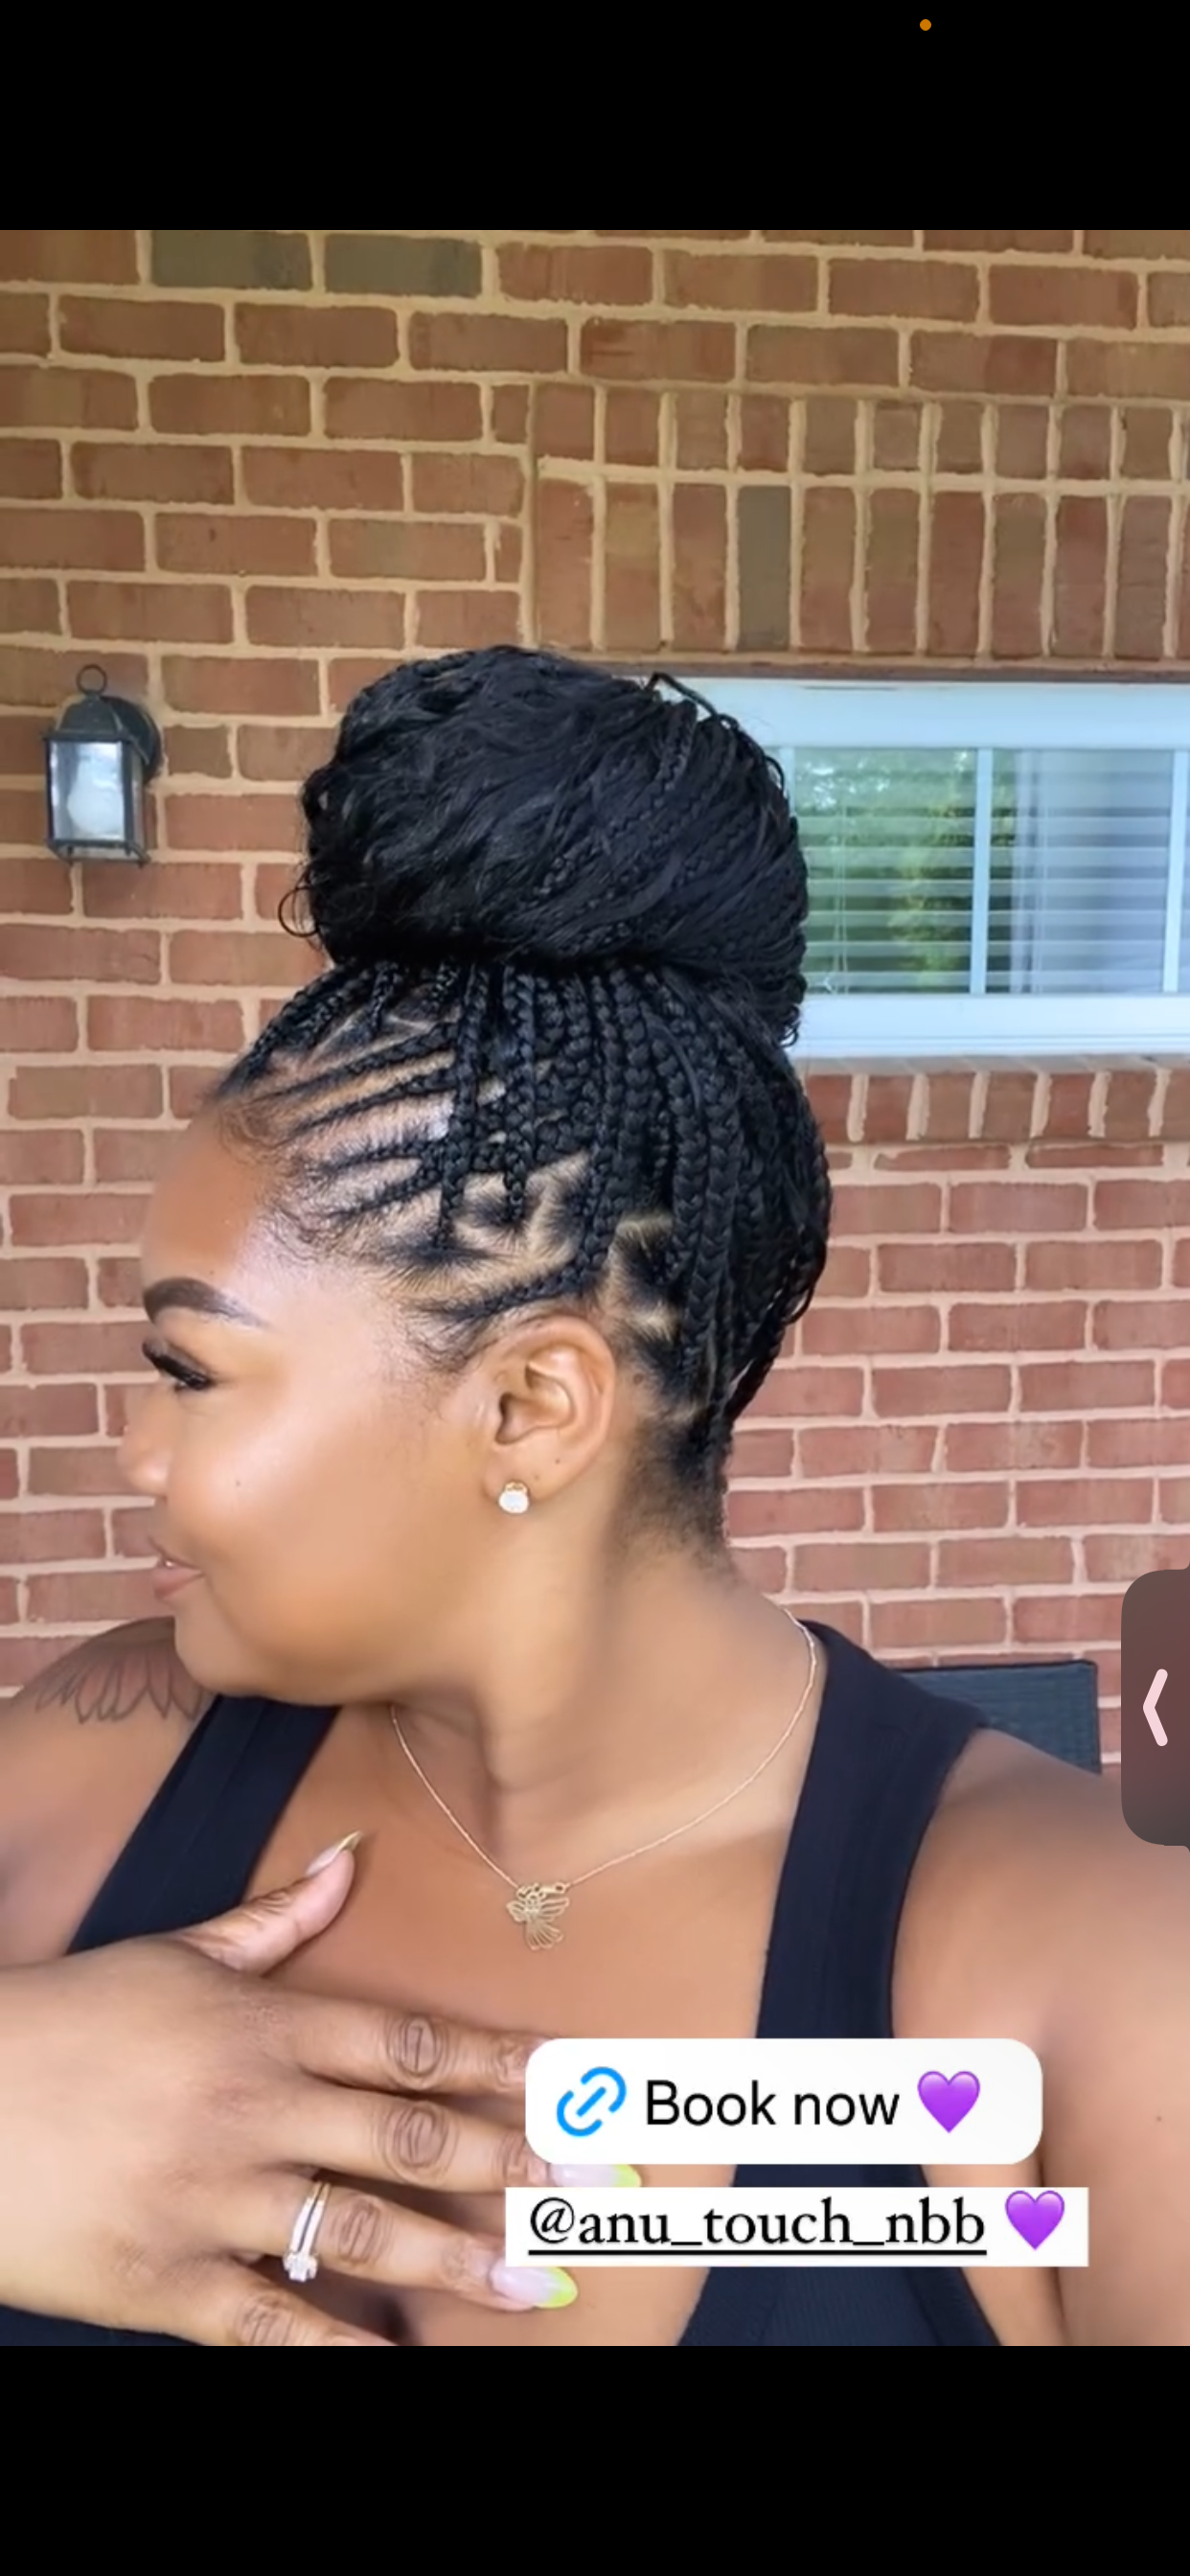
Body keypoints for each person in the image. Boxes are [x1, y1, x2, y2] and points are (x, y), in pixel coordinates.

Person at [1, 646, 1187, 2348]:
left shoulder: (1106, 1975)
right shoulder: (87, 1764)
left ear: (530, 1405)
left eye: (189, 1370)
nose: (131, 1451)